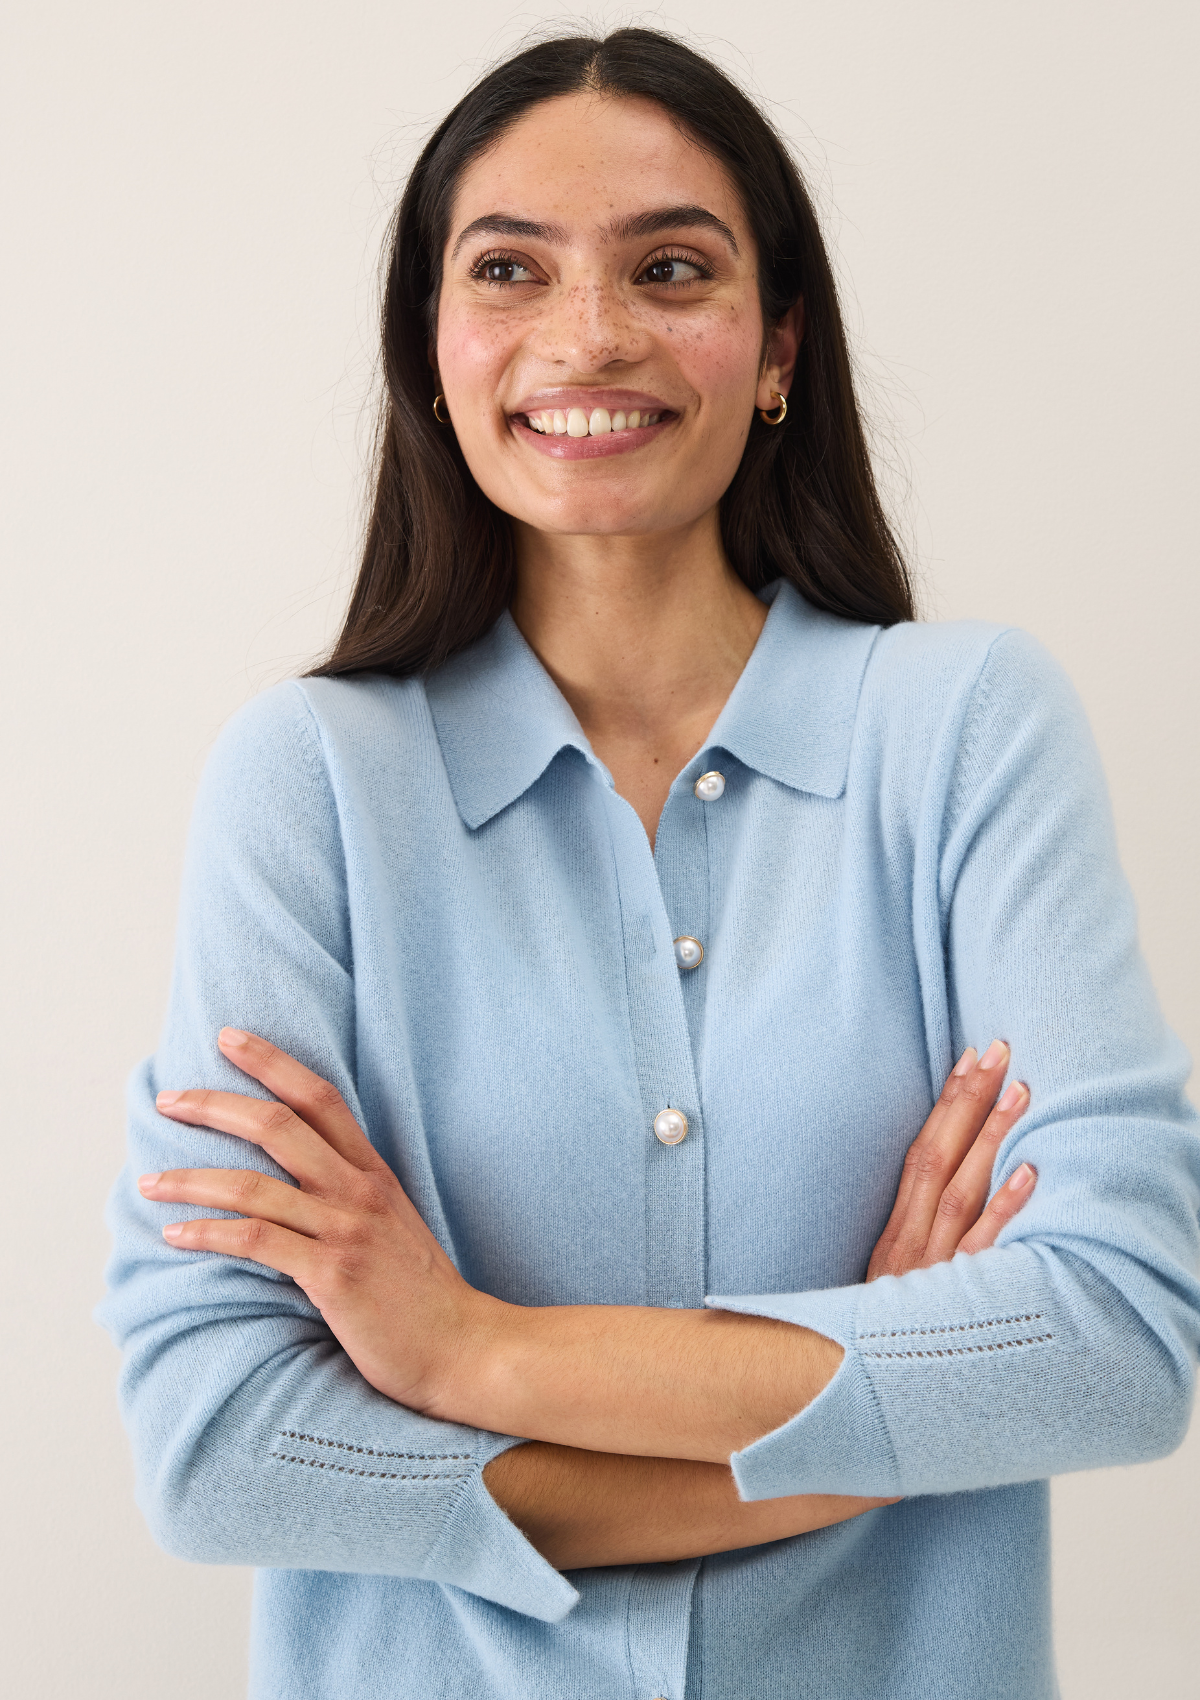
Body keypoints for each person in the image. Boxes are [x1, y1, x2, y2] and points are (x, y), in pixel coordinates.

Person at [99, 27, 1200, 1700]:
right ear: (434, 348)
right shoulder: (308, 782)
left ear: (777, 346)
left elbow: (1116, 1338)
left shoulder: (966, 730)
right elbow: (218, 1444)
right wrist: (859, 1433)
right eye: (509, 270)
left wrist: (468, 1349)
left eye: (670, 268)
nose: (590, 334)